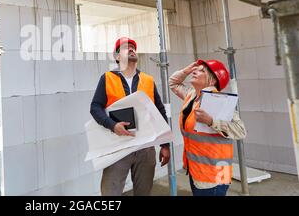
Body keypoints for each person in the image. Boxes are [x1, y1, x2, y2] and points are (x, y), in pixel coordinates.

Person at [90, 37, 171, 196]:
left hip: (145, 147)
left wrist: (165, 144)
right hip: (118, 145)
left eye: (133, 47)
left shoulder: (148, 80)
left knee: (144, 192)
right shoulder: (107, 78)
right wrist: (112, 125)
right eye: (126, 47)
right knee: (110, 193)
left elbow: (160, 111)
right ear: (117, 56)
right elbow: (95, 107)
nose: (132, 49)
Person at [169, 60, 247, 196]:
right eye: (196, 69)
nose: (195, 71)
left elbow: (240, 131)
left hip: (214, 177)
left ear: (212, 80)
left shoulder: (219, 100)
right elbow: (173, 83)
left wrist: (211, 121)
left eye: (201, 70)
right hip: (196, 171)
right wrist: (186, 70)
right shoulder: (192, 96)